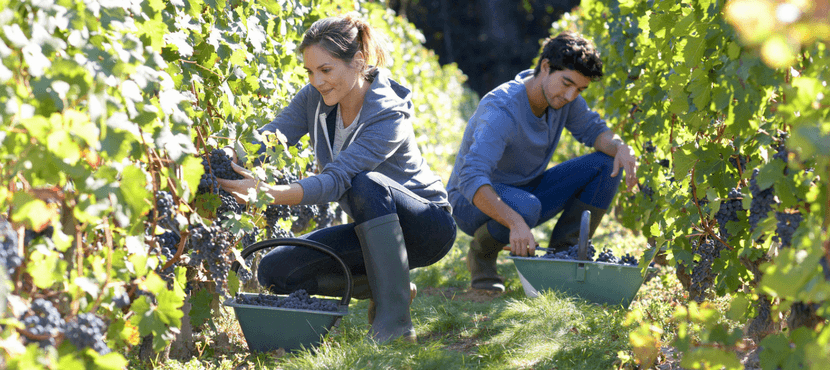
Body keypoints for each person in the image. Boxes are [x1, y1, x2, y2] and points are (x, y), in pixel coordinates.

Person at [216, 13, 456, 343]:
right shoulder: (314, 97)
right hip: (372, 229)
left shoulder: (389, 112)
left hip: (425, 227)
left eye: (326, 70)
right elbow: (273, 134)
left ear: (358, 62)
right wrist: (232, 153)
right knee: (275, 270)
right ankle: (390, 285)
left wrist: (269, 193)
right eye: (311, 71)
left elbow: (338, 179)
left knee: (365, 182)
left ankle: (396, 322)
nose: (317, 80)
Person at [446, 31, 638, 292]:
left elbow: (595, 131)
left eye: (580, 89)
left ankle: (564, 257)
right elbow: (470, 179)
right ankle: (481, 255)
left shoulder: (563, 99)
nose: (571, 96)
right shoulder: (501, 110)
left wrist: (621, 148)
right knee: (525, 208)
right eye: (567, 84)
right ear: (546, 67)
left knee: (607, 163)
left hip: (525, 191)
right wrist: (515, 222)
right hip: (470, 201)